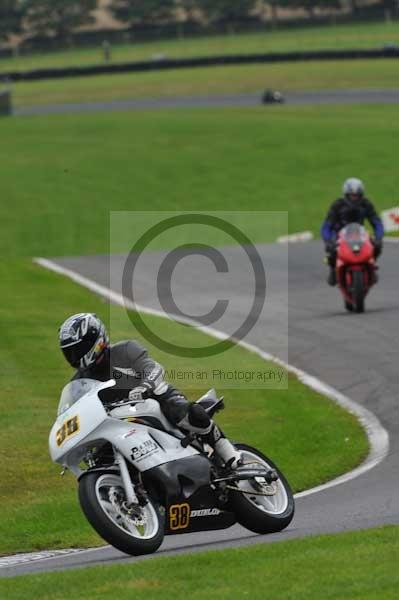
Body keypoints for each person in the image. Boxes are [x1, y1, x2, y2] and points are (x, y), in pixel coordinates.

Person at [58, 313, 242, 469]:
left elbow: (153, 369)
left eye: (78, 349)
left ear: (96, 340)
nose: (74, 356)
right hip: (120, 422)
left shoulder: (125, 350)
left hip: (154, 400)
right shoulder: (79, 382)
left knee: (182, 411)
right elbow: (71, 412)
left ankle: (227, 451)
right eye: (70, 352)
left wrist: (144, 388)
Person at [321, 178, 384, 286]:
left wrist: (378, 237)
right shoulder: (337, 205)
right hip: (339, 234)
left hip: (360, 234)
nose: (354, 198)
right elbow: (326, 226)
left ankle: (371, 267)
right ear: (346, 194)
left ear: (361, 195)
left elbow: (377, 223)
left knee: (377, 245)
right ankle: (333, 270)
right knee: (331, 248)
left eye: (357, 195)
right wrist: (327, 240)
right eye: (352, 195)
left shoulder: (366, 204)